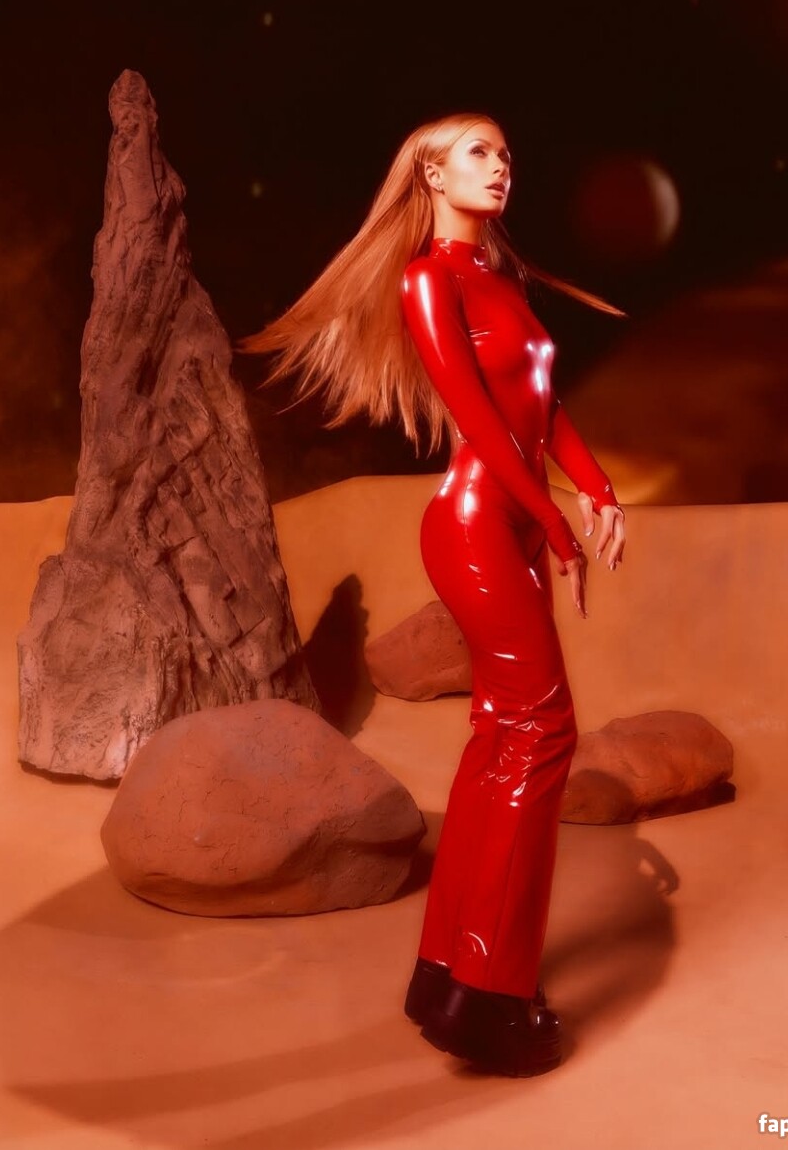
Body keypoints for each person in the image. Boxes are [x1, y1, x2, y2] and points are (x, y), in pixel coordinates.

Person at [243, 113, 626, 1077]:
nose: (501, 168)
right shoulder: (428, 279)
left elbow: (541, 404)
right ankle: (491, 996)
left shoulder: (500, 279)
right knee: (540, 733)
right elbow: (477, 418)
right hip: (473, 522)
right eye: (478, 154)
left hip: (513, 516)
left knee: (504, 736)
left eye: (505, 154)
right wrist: (552, 522)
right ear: (429, 174)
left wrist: (597, 488)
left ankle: (452, 979)